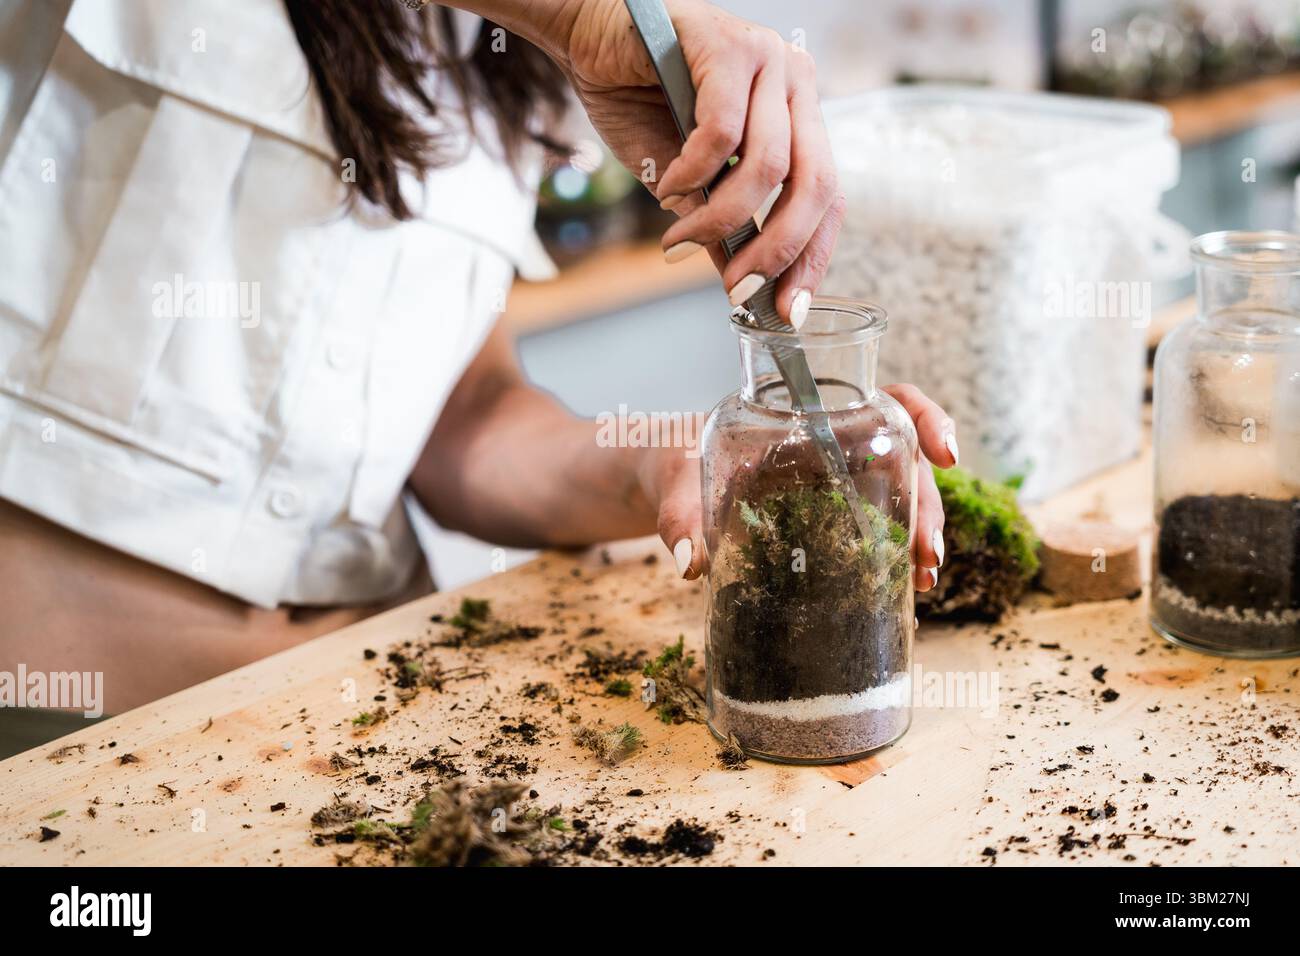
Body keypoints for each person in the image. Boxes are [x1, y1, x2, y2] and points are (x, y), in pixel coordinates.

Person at [0, 0, 955, 744]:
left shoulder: (494, 58)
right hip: (77, 735)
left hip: (376, 704)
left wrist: (667, 462)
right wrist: (586, 18)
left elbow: (459, 417)